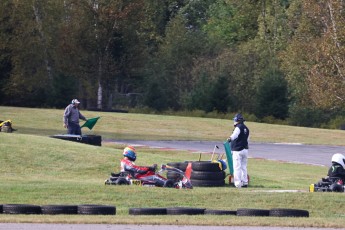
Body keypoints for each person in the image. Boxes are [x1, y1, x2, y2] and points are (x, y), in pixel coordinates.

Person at [227, 113, 250, 188]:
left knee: (237, 167)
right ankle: (245, 182)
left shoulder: (238, 127)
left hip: (237, 150)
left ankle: (237, 184)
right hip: (245, 150)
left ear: (238, 120)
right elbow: (248, 139)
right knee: (244, 167)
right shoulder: (246, 128)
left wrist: (229, 139)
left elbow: (235, 135)